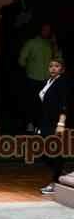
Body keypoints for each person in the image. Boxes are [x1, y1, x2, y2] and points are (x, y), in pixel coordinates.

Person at [19, 23, 59, 133]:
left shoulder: (50, 44)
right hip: (33, 78)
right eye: (45, 29)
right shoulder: (31, 43)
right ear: (40, 30)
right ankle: (30, 124)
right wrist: (30, 67)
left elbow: (57, 58)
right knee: (32, 103)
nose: (47, 32)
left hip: (46, 79)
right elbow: (21, 60)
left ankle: (39, 125)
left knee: (43, 104)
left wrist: (54, 44)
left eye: (48, 30)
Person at [37, 58, 69, 194]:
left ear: (62, 69)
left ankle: (56, 182)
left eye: (57, 66)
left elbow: (64, 104)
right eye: (51, 66)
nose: (53, 68)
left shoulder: (62, 83)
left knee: (54, 152)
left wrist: (61, 123)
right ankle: (61, 174)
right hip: (45, 122)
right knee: (42, 152)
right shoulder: (48, 82)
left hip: (55, 123)